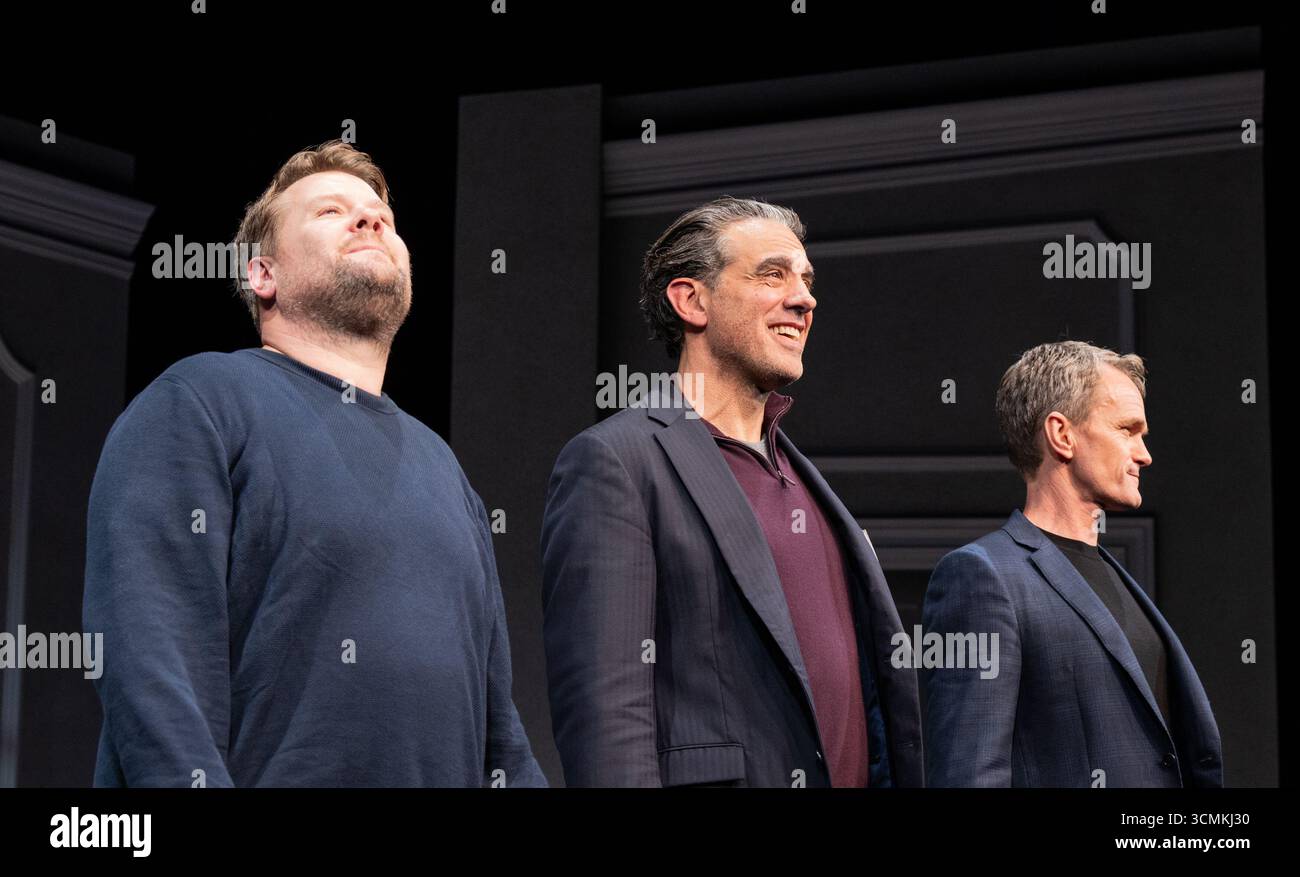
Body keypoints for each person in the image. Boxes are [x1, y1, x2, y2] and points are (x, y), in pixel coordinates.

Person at [83, 140, 545, 787]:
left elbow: (501, 730)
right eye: (331, 211)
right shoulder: (199, 401)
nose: (370, 219)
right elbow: (150, 662)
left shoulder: (445, 469)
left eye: (383, 216)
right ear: (262, 275)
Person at [541, 197, 922, 787]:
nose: (804, 299)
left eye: (806, 280)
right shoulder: (617, 463)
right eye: (772, 274)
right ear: (692, 301)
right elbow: (607, 724)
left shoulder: (806, 482)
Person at [923, 340, 1222, 787]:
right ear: (1062, 435)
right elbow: (969, 773)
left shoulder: (1115, 576)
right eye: (1127, 430)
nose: (1144, 454)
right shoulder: (981, 577)